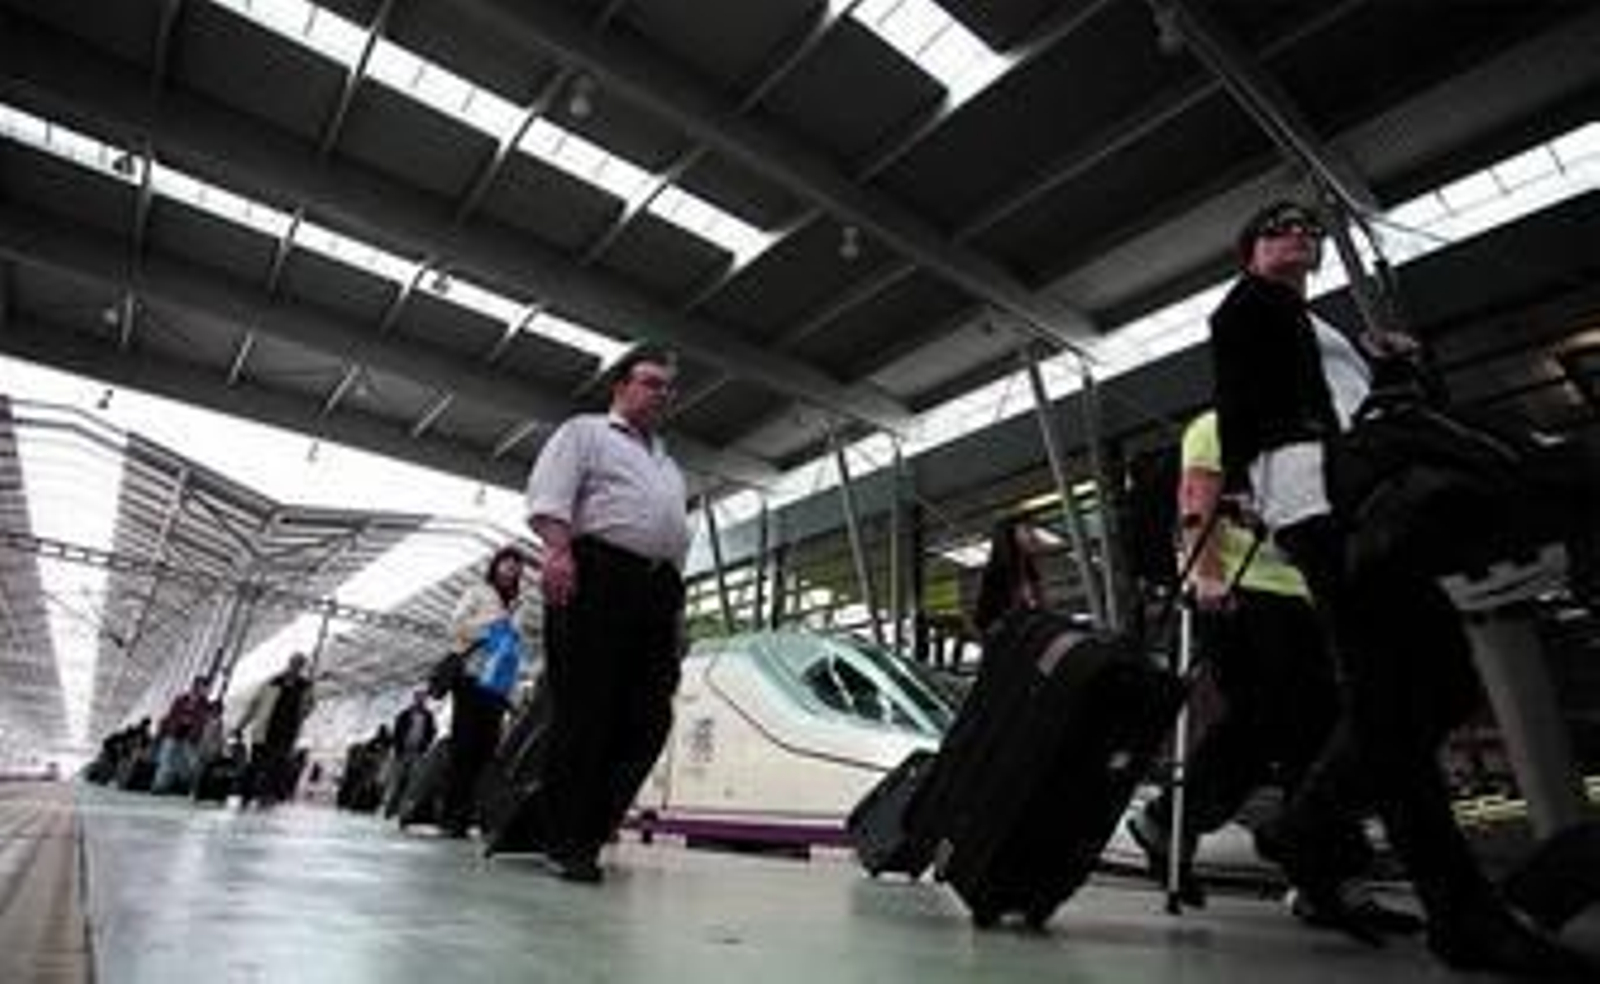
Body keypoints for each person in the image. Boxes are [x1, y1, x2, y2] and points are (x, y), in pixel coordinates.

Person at [1209, 200, 1590, 975]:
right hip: (1324, 508)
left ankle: (1308, 823)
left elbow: (1362, 413)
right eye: (1281, 228)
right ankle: (1458, 913)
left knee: (1439, 685)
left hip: (1368, 501)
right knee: (1392, 701)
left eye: (1310, 230)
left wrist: (1386, 368)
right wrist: (1256, 486)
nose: (1301, 236)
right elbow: (1251, 407)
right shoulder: (1248, 308)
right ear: (1250, 249)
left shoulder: (1317, 325)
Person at [1126, 411, 1417, 932]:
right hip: (1245, 594)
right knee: (1295, 723)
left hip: (1305, 595)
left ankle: (1176, 821)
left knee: (1287, 727)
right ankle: (1325, 877)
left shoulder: (1310, 434)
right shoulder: (1218, 424)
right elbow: (1196, 498)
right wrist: (1208, 576)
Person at [524, 343, 690, 884]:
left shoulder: (667, 463)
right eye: (650, 382)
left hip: (657, 588)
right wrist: (558, 553)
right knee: (584, 710)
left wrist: (674, 610)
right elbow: (550, 495)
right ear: (620, 386)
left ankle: (591, 828)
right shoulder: (586, 433)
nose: (661, 394)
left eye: (668, 388)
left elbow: (672, 534)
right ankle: (565, 840)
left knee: (649, 718)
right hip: (596, 572)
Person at [442, 546, 539, 838]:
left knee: (486, 749)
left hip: (498, 684)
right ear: (496, 565)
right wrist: (493, 628)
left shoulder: (521, 603)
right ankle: (452, 817)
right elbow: (456, 627)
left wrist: (515, 685)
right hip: (471, 677)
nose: (512, 569)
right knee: (463, 746)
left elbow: (516, 644)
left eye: (517, 565)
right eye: (507, 563)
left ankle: (473, 814)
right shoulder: (477, 592)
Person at [233, 653, 316, 808]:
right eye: (294, 663)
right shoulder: (273, 682)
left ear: (302, 667)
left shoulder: (305, 686)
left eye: (299, 664)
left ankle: (266, 797)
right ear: (289, 663)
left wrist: (306, 706)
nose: (296, 667)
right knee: (255, 764)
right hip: (264, 730)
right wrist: (241, 725)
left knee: (276, 767)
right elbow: (254, 705)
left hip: (286, 733)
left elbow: (308, 708)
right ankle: (246, 796)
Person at [972, 516, 1046, 636]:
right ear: (1011, 535)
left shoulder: (1028, 570)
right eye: (1027, 530)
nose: (1034, 536)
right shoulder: (996, 571)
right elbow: (984, 617)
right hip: (1002, 631)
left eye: (1032, 530)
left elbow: (1040, 604)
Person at [152, 675, 213, 795]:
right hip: (174, 733)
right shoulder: (181, 699)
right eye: (204, 687)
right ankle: (160, 785)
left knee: (189, 762)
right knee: (166, 759)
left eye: (207, 688)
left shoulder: (205, 705)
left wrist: (193, 725)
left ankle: (182, 784)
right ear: (196, 686)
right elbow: (172, 714)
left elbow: (203, 720)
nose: (206, 690)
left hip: (190, 737)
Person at [384, 689, 438, 818]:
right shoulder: (405, 714)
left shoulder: (428, 716)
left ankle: (403, 810)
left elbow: (432, 731)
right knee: (397, 780)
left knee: (412, 782)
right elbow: (397, 731)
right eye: (419, 698)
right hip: (403, 751)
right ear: (415, 699)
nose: (421, 701)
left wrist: (425, 745)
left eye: (423, 699)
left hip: (417, 752)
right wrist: (398, 747)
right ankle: (390, 808)